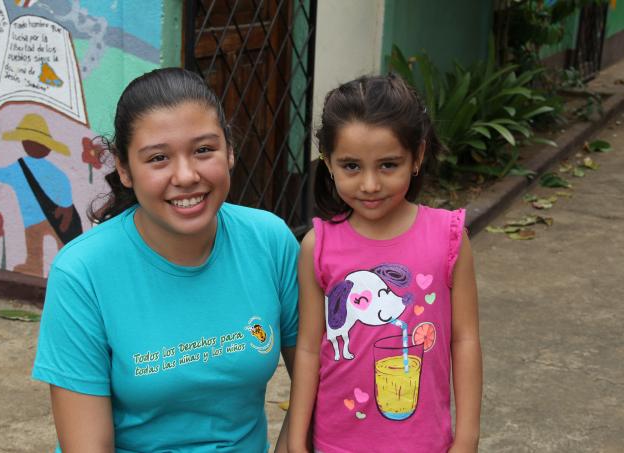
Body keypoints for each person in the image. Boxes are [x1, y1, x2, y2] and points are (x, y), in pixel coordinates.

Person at [32, 68, 299, 452]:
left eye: (204, 150)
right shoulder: (83, 273)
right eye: (158, 158)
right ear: (124, 170)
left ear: (231, 151)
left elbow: (316, 383)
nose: (187, 175)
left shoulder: (270, 241)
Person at [287, 74, 482, 453]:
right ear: (328, 162)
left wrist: (467, 438)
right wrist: (297, 441)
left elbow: (465, 339)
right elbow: (310, 348)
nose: (370, 184)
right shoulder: (318, 245)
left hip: (423, 442)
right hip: (336, 440)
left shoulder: (449, 237)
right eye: (352, 166)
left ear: (418, 156)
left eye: (388, 165)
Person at [0, 113, 82, 277]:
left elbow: (1, 174)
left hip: (45, 217)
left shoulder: (25, 167)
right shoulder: (22, 167)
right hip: (42, 218)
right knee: (40, 247)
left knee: (48, 246)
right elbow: (63, 183)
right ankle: (39, 266)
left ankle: (42, 267)